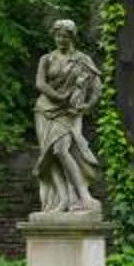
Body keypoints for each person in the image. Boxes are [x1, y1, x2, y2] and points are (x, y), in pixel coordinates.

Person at [33, 20, 103, 216]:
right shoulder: (46, 59)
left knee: (61, 149)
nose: (60, 40)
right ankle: (62, 200)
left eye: (64, 36)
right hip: (44, 110)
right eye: (57, 36)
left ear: (72, 37)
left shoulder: (82, 60)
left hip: (68, 113)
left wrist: (86, 106)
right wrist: (59, 97)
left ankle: (83, 195)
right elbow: (40, 83)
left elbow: (97, 87)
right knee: (49, 155)